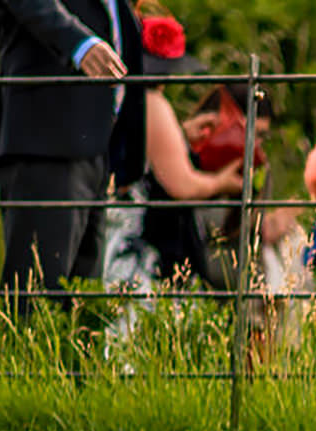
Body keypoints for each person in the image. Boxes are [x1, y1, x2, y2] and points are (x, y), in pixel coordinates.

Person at [0, 0, 147, 314]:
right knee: (36, 302)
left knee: (86, 308)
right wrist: (81, 45)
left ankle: (76, 364)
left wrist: (127, 156)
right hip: (45, 140)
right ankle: (24, 364)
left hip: (97, 149)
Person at [96, 10, 247, 343]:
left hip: (116, 225)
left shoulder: (125, 102)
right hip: (140, 239)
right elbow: (182, 185)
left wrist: (181, 135)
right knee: (136, 328)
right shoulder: (152, 102)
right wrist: (223, 182)